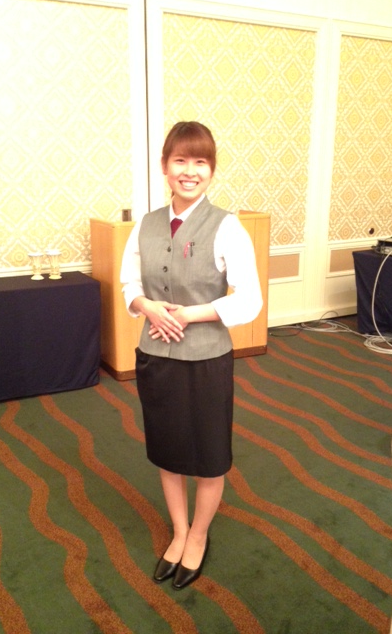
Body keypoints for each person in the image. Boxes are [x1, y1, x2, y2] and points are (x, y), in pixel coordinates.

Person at [120, 121, 262, 590]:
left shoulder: (227, 226)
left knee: (208, 454)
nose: (190, 171)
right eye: (180, 160)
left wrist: (190, 314)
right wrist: (146, 307)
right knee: (169, 450)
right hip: (155, 358)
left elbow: (250, 300)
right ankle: (179, 531)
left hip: (206, 361)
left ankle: (198, 535)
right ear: (165, 167)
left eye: (200, 162)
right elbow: (129, 284)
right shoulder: (146, 225)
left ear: (211, 170)